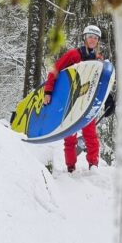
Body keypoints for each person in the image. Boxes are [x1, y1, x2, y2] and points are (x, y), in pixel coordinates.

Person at [44, 25, 104, 172]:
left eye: (95, 38)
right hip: (70, 102)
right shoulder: (73, 55)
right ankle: (71, 167)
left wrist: (107, 100)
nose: (92, 40)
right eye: (90, 37)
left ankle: (93, 166)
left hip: (87, 102)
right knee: (70, 137)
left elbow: (100, 82)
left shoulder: (98, 59)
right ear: (85, 38)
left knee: (91, 136)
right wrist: (48, 91)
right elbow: (55, 70)